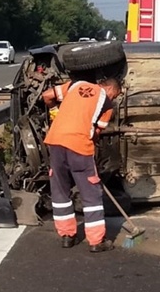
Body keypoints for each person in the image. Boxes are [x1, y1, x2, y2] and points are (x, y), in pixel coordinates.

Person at [41, 77, 122, 252]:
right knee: (90, 193)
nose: (114, 98)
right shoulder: (107, 104)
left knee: (60, 189)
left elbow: (47, 95)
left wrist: (55, 112)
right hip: (78, 146)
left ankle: (67, 236)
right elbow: (95, 134)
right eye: (115, 95)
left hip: (55, 141)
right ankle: (96, 241)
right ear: (111, 90)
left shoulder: (75, 85)